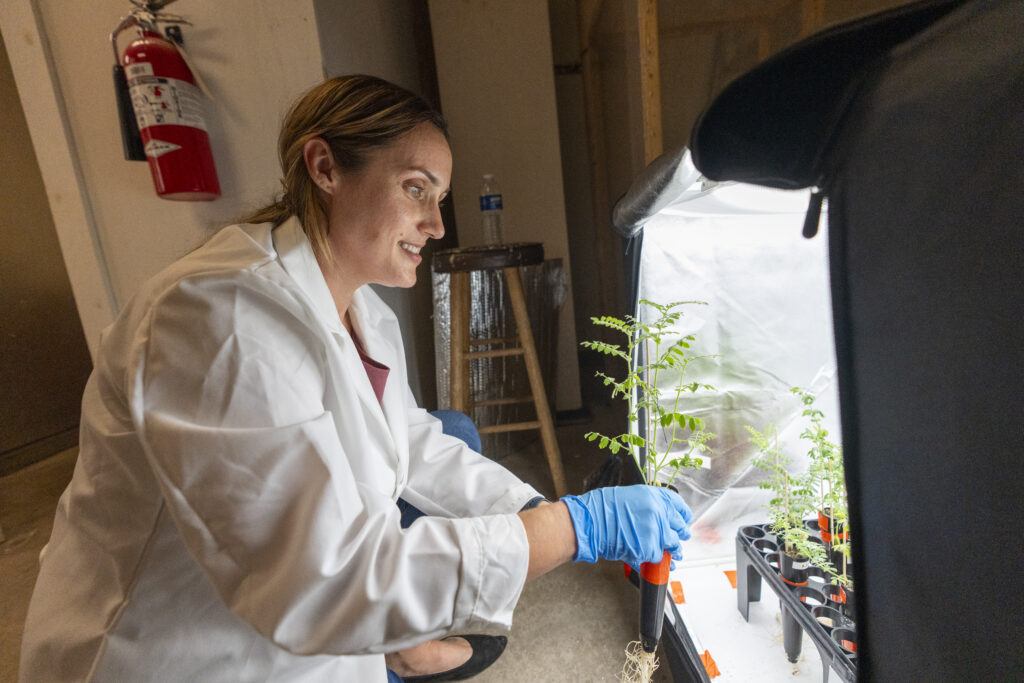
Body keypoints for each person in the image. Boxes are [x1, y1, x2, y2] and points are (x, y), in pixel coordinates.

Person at [19, 75, 693, 682]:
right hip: (181, 656)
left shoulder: (362, 308)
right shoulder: (218, 321)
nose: (434, 224)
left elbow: (416, 445)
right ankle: (407, 651)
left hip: (302, 638)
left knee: (451, 435)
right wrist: (573, 530)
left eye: (440, 198)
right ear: (325, 167)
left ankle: (402, 650)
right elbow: (325, 579)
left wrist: (538, 514)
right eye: (414, 189)